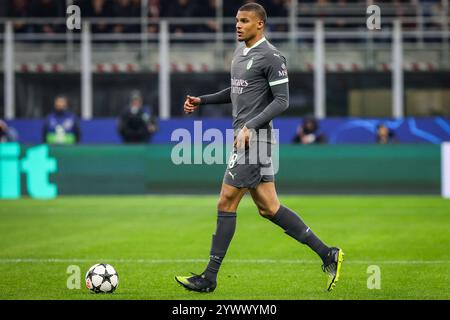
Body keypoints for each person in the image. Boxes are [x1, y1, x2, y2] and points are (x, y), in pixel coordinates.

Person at [175, 3, 343, 293]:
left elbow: (282, 101)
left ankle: (209, 278)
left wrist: (249, 126)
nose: (238, 25)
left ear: (260, 24)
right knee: (269, 207)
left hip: (256, 140)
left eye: (244, 21)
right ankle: (328, 253)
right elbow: (236, 90)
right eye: (236, 21)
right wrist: (202, 100)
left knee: (226, 201)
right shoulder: (240, 53)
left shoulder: (272, 56)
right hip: (247, 138)